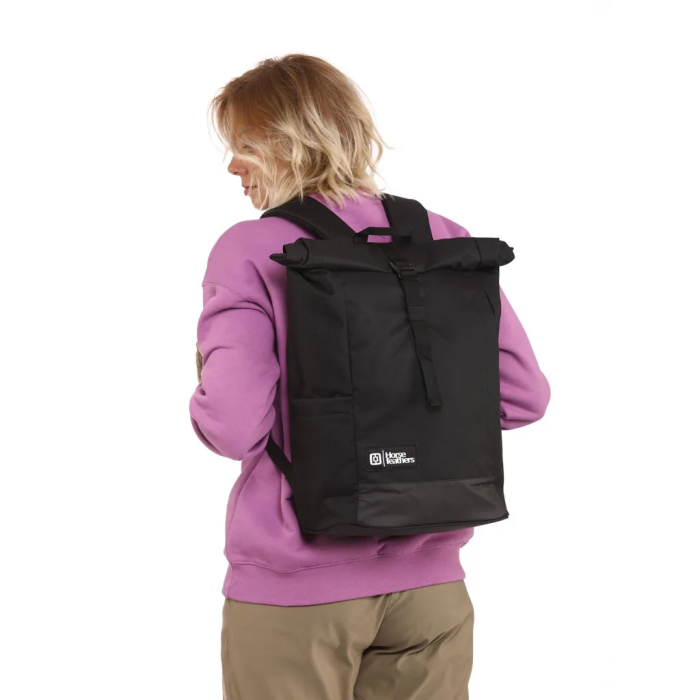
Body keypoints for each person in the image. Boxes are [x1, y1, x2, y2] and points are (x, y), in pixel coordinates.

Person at [189, 53, 551, 700]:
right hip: (433, 596)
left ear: (287, 142)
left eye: (244, 146)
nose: (233, 166)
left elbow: (233, 427)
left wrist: (203, 389)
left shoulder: (251, 248)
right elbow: (524, 396)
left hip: (297, 594)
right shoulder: (442, 237)